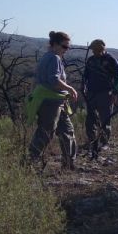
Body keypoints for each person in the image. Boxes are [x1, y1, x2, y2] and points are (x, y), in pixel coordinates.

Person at [28, 31, 79, 169]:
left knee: (67, 130)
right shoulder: (54, 58)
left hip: (57, 101)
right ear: (55, 44)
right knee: (46, 132)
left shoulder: (49, 57)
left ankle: (69, 164)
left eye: (68, 47)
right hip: (51, 102)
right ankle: (30, 162)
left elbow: (36, 79)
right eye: (64, 47)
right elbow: (54, 80)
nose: (66, 50)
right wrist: (71, 89)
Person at [82, 39, 118, 159]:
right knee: (90, 118)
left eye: (97, 50)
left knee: (105, 119)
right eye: (93, 50)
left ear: (102, 49)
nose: (95, 52)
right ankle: (92, 140)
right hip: (91, 93)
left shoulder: (111, 60)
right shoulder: (91, 60)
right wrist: (83, 86)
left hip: (106, 94)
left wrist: (115, 92)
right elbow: (85, 75)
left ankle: (104, 142)